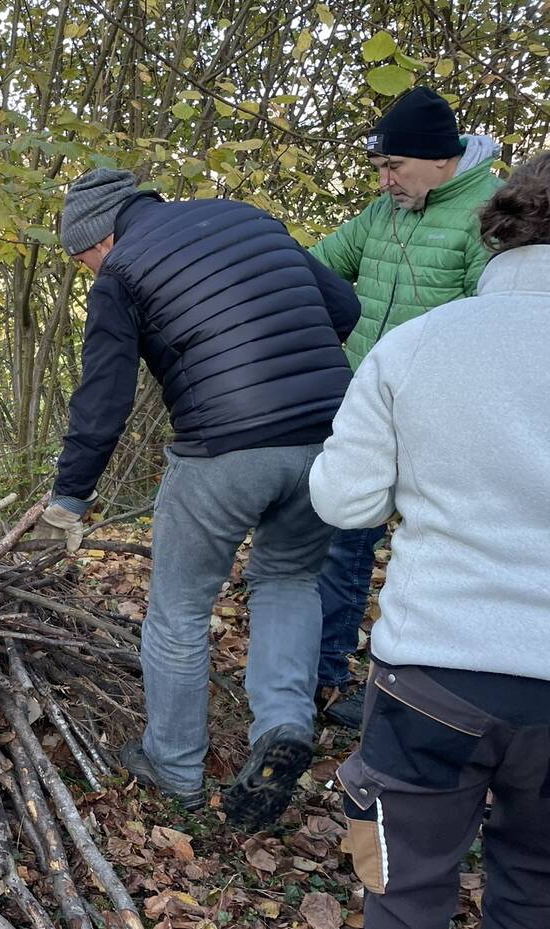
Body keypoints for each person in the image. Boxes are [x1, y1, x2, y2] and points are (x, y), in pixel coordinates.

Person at [43, 167, 360, 828]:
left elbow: (104, 401)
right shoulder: (246, 217)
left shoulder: (121, 271)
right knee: (291, 581)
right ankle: (282, 724)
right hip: (332, 437)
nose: (88, 271)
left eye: (82, 261)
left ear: (98, 239)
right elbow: (344, 309)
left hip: (226, 445)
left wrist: (69, 497)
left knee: (181, 606)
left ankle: (174, 764)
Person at [309, 152, 550, 929]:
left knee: (401, 887)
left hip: (432, 677)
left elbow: (344, 500)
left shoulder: (416, 346)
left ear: (498, 230)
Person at [308, 87, 504, 727]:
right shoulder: (383, 211)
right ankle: (329, 676)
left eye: (396, 167)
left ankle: (433, 692)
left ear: (441, 159)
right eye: (381, 168)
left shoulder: (489, 213)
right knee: (345, 540)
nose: (386, 179)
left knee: (434, 550)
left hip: (442, 417)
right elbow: (320, 264)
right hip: (364, 404)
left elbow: (496, 319)